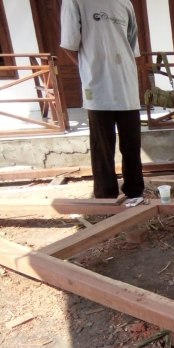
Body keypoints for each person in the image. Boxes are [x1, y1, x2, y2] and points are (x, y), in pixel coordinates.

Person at [60, 0, 144, 199]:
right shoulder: (75, 1)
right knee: (103, 148)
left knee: (131, 145)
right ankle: (106, 196)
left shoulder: (125, 3)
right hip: (97, 88)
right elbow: (69, 46)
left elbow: (132, 48)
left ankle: (135, 192)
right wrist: (90, 68)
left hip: (127, 88)